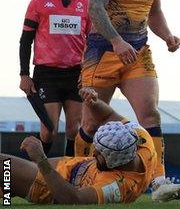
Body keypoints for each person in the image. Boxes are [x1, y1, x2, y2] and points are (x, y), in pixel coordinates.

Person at [75, 0, 180, 201]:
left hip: (138, 52)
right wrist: (116, 41)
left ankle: (160, 182)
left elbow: (154, 12)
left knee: (149, 112)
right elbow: (95, 10)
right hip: (103, 52)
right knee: (90, 123)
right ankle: (78, 175)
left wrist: (167, 36)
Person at [0, 87, 163, 204]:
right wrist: (94, 102)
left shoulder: (119, 186)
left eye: (98, 153)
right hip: (58, 169)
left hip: (47, 186)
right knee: (4, 187)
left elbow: (74, 199)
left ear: (114, 161)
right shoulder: (139, 137)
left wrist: (41, 158)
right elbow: (109, 115)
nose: (93, 155)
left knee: (3, 164)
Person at [19, 0, 89, 157]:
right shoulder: (39, 1)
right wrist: (24, 74)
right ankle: (34, 174)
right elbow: (25, 40)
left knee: (75, 130)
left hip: (76, 74)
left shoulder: (86, 4)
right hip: (47, 73)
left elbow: (93, 44)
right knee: (49, 130)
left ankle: (69, 177)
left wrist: (90, 74)